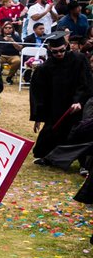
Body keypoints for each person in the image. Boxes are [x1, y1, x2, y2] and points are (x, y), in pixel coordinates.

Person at [30, 34, 93, 162]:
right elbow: (40, 93)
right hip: (56, 106)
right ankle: (49, 157)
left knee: (80, 131)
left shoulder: (79, 59)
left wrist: (79, 101)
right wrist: (39, 116)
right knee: (51, 134)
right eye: (55, 52)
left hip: (77, 105)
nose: (59, 54)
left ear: (66, 46)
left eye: (62, 50)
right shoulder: (45, 68)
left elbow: (85, 82)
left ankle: (83, 163)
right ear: (49, 49)